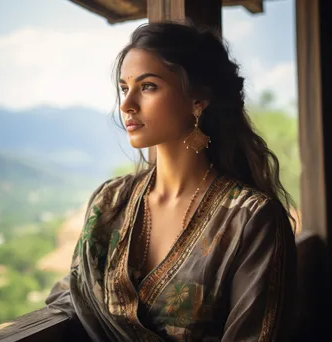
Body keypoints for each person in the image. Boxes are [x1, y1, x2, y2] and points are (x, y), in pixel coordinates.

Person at [46, 21, 298, 341]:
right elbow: (74, 301)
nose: (126, 105)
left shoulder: (251, 218)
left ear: (198, 100)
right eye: (125, 88)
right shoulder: (110, 202)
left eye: (148, 86)